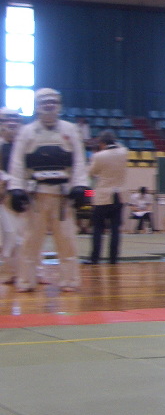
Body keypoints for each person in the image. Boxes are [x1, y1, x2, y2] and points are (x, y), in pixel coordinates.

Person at [8, 88, 89, 292]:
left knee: (67, 241)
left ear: (59, 105)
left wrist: (81, 186)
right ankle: (26, 281)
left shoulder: (70, 130)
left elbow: (79, 160)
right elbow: (17, 162)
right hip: (35, 195)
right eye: (44, 102)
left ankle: (69, 281)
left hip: (63, 196)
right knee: (30, 241)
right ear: (37, 106)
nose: (49, 105)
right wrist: (16, 188)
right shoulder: (26, 131)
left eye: (53, 102)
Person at [86, 130, 128, 264]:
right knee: (115, 229)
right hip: (119, 196)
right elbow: (119, 145)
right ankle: (113, 258)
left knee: (98, 229)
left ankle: (95, 258)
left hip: (103, 197)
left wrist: (95, 154)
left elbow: (90, 173)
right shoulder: (124, 152)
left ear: (102, 143)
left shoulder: (99, 156)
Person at [0, 108, 23, 284]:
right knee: (8, 234)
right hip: (4, 196)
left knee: (25, 235)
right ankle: (9, 272)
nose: (11, 124)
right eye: (8, 120)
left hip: (22, 195)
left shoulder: (24, 144)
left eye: (15, 120)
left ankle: (29, 272)